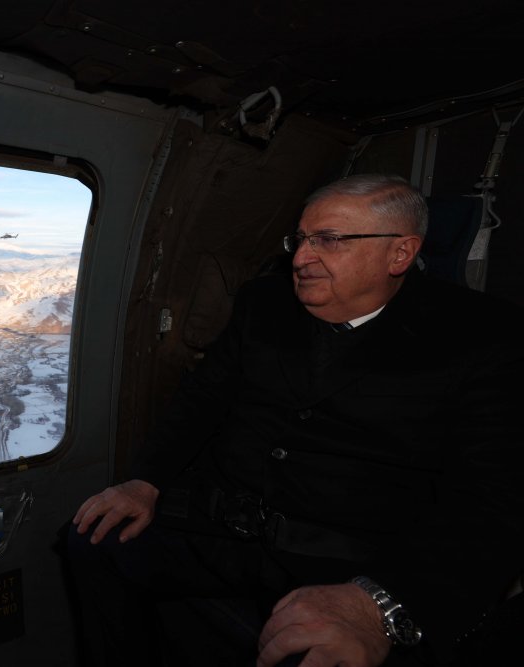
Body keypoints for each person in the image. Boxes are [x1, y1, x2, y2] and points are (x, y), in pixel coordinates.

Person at [63, 173, 524, 667]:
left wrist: (377, 602)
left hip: (352, 559)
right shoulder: (263, 303)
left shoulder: (484, 337)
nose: (301, 257)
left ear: (400, 253)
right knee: (93, 539)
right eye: (301, 239)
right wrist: (145, 481)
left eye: (329, 239)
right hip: (223, 529)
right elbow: (201, 400)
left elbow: (493, 499)